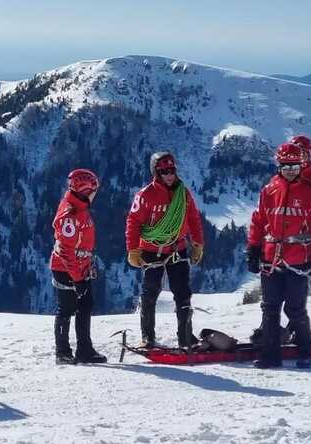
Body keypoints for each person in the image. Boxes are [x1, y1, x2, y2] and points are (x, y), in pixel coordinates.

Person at [246, 142, 311, 369]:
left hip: (299, 258)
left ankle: (306, 351)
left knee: (295, 308)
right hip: (271, 258)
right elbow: (258, 221)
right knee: (270, 308)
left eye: (294, 167)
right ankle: (270, 355)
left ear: (301, 165)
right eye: (286, 167)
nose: (290, 171)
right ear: (279, 166)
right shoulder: (270, 189)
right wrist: (253, 249)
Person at [125, 152, 204, 348]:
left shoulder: (183, 194)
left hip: (178, 248)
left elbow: (193, 219)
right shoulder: (145, 195)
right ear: (156, 173)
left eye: (172, 170)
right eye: (164, 171)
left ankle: (186, 337)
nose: (169, 175)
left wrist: (198, 243)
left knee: (183, 293)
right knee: (150, 292)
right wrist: (133, 250)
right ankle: (147, 337)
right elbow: (133, 222)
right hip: (152, 250)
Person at [50, 168, 107, 365]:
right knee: (66, 309)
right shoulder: (71, 213)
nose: (94, 195)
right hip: (67, 269)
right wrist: (78, 279)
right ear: (85, 190)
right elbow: (65, 251)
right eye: (93, 191)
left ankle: (84, 349)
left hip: (79, 268)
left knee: (85, 305)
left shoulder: (79, 208)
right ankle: (63, 352)